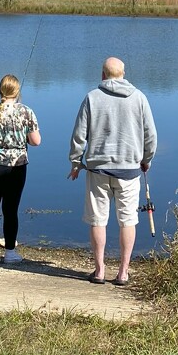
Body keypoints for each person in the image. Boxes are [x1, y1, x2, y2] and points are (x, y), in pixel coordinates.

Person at [68, 57, 157, 286]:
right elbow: (151, 137)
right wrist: (146, 160)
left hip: (98, 170)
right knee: (128, 220)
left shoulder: (91, 97)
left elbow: (79, 135)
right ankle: (123, 273)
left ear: (103, 75)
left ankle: (99, 271)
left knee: (98, 220)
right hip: (129, 170)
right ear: (124, 73)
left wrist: (76, 162)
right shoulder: (139, 98)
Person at [0, 74, 40, 263]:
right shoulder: (27, 112)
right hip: (16, 167)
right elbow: (36, 142)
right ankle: (10, 253)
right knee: (11, 209)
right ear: (17, 91)